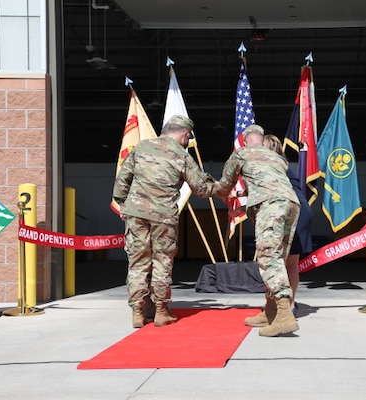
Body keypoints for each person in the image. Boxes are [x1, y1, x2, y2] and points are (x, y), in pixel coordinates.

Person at [112, 115, 217, 328]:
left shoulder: (142, 147)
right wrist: (220, 186)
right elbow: (201, 189)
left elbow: (123, 178)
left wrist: (123, 203)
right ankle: (161, 311)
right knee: (162, 261)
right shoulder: (182, 155)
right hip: (163, 216)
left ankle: (138, 313)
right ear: (184, 135)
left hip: (137, 213)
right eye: (188, 138)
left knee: (138, 262)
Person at [212, 124, 300, 337]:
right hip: (291, 205)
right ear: (261, 140)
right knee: (277, 257)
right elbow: (268, 187)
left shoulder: (242, 154)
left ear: (244, 141)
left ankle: (284, 315)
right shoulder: (277, 158)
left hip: (271, 206)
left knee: (269, 258)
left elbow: (225, 184)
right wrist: (243, 208)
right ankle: (270, 312)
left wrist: (215, 192)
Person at [263, 134, 313, 315]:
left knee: (273, 262)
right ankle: (290, 304)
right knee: (291, 263)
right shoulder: (284, 165)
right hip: (303, 211)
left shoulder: (270, 167)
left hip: (289, 213)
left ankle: (278, 307)